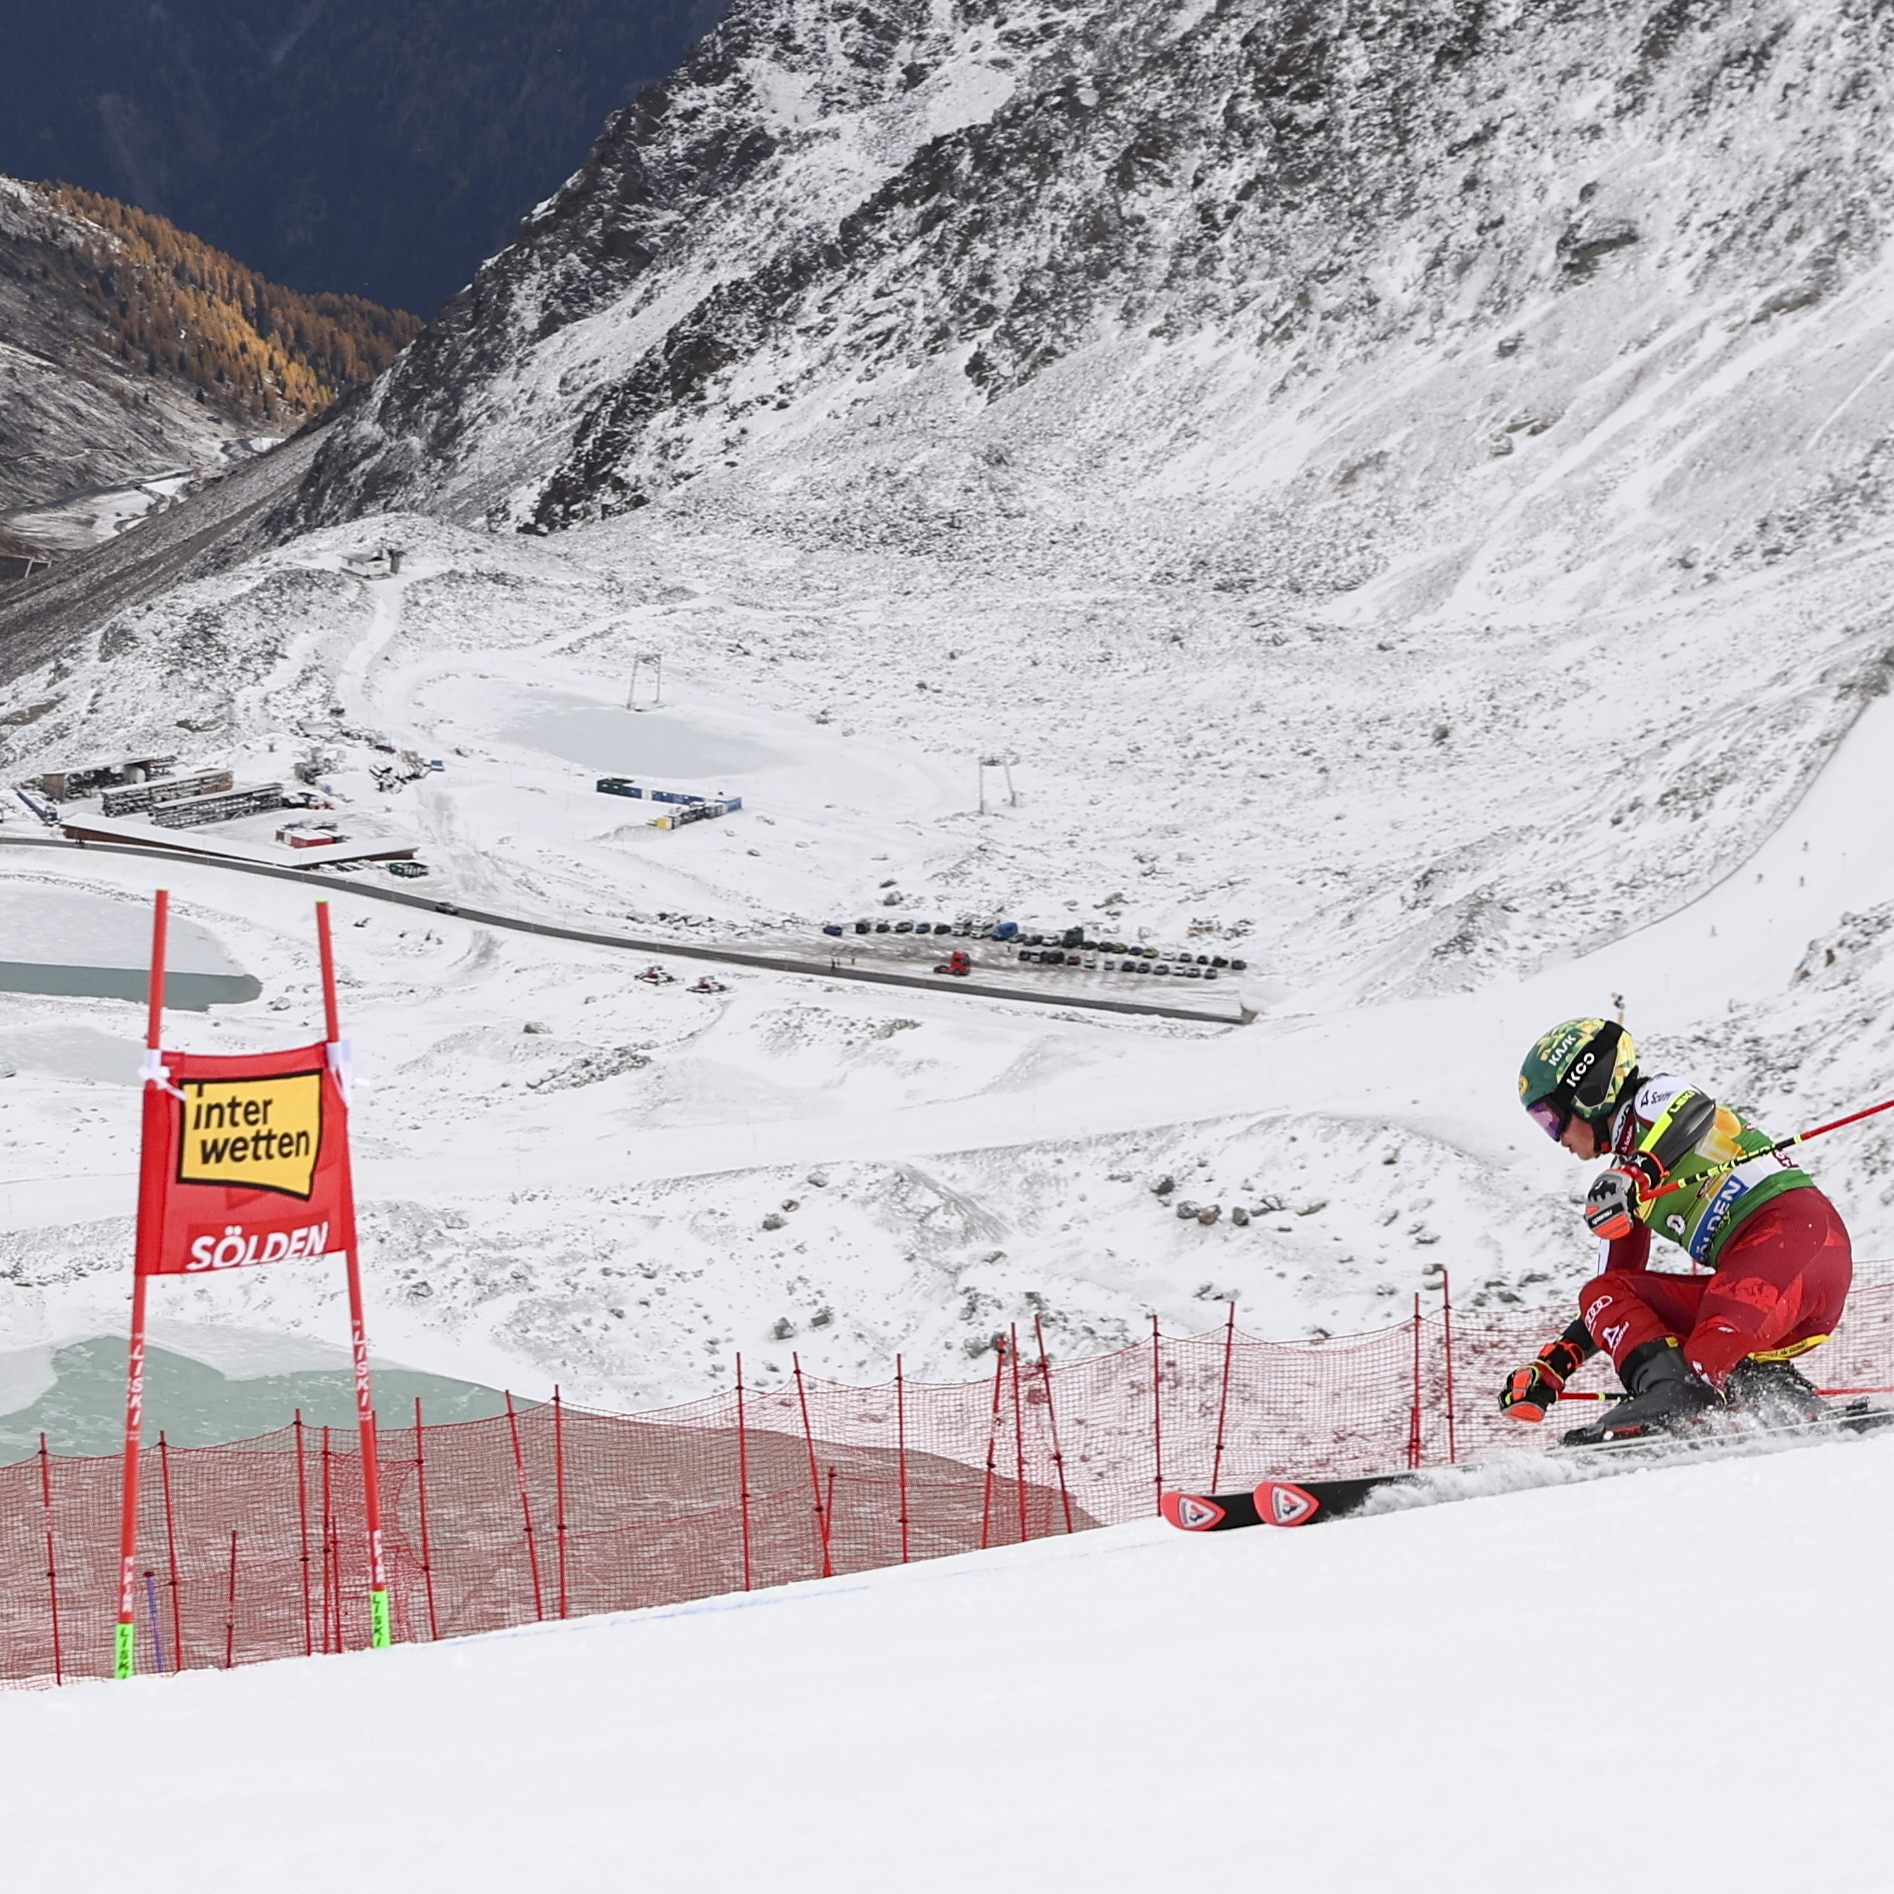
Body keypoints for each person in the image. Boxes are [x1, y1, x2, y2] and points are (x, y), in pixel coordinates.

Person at [1501, 1016, 1853, 1443]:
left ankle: (1677, 1398)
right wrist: (1554, 1363)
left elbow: (1694, 1111)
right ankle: (1783, 1399)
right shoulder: (1624, 1184)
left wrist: (1640, 1173)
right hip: (1765, 1292)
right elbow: (1608, 1294)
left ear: (1589, 1090)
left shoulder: (1654, 1099)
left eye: (1551, 1117)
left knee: (1705, 1359)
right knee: (1604, 1294)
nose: (1556, 1138)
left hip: (1796, 1238)